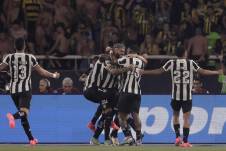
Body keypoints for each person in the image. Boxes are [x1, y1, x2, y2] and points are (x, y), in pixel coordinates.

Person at [141, 46, 221, 147]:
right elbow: (203, 71)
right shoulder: (191, 63)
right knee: (186, 118)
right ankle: (186, 141)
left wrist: (144, 72)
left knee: (175, 116)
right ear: (185, 53)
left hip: (175, 95)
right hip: (187, 96)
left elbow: (159, 71)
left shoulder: (171, 63)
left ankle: (178, 137)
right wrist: (217, 72)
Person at [0, 38, 60, 145]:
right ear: (24, 46)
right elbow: (42, 72)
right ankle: (12, 116)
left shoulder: (9, 57)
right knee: (24, 112)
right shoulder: (30, 58)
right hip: (25, 89)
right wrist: (53, 75)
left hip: (13, 91)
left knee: (23, 115)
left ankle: (31, 139)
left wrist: (8, 69)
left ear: (15, 46)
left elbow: (1, 68)